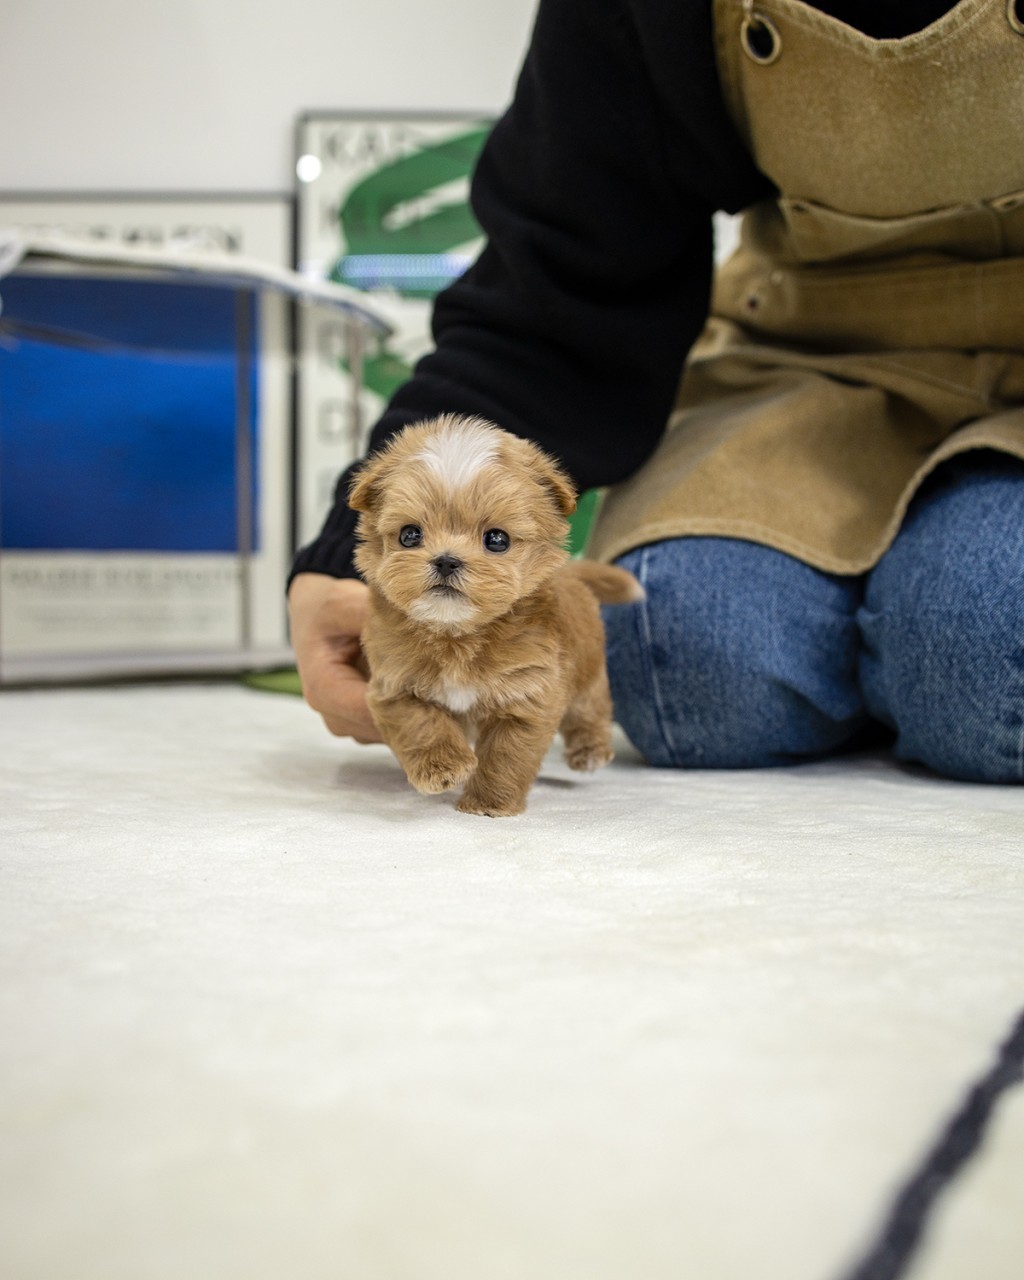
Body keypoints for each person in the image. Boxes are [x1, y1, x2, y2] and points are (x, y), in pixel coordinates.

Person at [288, 0, 1024, 784]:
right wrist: (340, 558)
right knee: (674, 660)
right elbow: (558, 290)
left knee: (981, 648)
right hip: (809, 349)